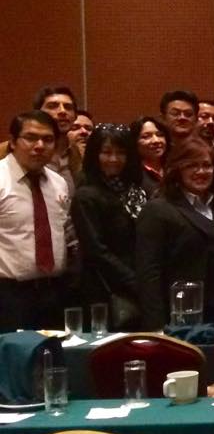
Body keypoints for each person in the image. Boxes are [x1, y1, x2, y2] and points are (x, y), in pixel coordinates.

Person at [134, 138, 214, 331]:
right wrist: (155, 327)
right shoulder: (157, 210)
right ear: (177, 170)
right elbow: (149, 273)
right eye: (192, 166)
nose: (201, 172)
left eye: (207, 165)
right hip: (179, 317)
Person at [0, 111, 74, 330]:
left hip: (54, 292)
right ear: (13, 142)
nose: (40, 145)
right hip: (8, 295)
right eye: (30, 138)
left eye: (48, 139)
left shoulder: (58, 182)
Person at [72, 124, 147, 329]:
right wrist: (133, 281)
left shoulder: (136, 190)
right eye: (106, 152)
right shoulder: (86, 195)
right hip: (103, 288)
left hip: (140, 280)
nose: (114, 159)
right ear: (95, 155)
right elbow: (96, 250)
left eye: (120, 153)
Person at [132, 116, 169, 195]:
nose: (156, 140)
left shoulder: (174, 168)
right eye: (146, 136)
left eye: (160, 135)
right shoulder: (132, 175)